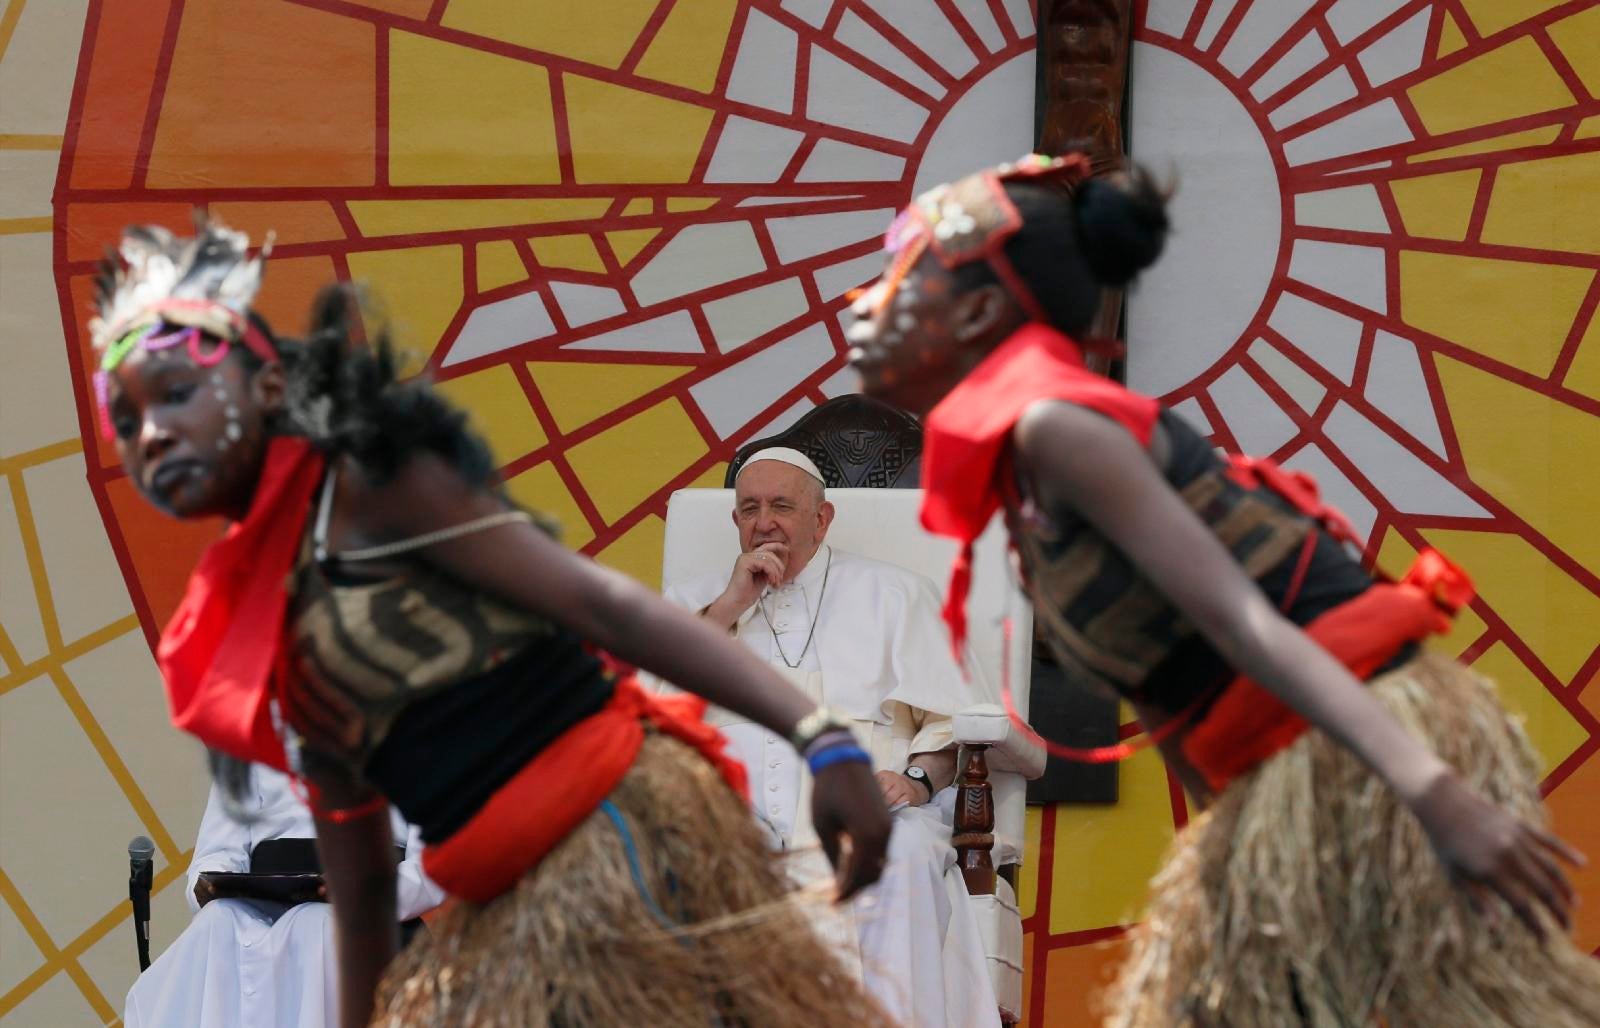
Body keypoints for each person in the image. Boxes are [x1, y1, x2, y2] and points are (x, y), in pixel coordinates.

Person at [847, 153, 1600, 1026]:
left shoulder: (1060, 429)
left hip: (1359, 745)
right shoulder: (1021, 474)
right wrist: (1226, 858)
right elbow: (1170, 691)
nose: (863, 301)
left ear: (978, 311)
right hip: (1279, 775)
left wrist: (1432, 796)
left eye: (901, 280)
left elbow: (1238, 617)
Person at [93, 218, 894, 1027]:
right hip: (452, 871)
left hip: (599, 810)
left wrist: (820, 737)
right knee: (232, 955)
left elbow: (610, 611)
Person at [660, 447, 1000, 1026]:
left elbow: (955, 721)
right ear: (735, 521)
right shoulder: (694, 606)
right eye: (749, 508)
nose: (764, 521)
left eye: (782, 506)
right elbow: (644, 706)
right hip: (729, 819)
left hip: (864, 812)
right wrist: (732, 604)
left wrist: (916, 782)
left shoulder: (896, 595)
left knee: (904, 854)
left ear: (822, 519)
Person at [124, 765, 443, 1028]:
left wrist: (360, 890)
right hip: (263, 901)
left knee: (312, 923)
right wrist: (213, 885)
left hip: (366, 909)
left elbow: (433, 864)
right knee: (217, 919)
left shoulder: (407, 735)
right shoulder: (246, 745)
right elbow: (216, 853)